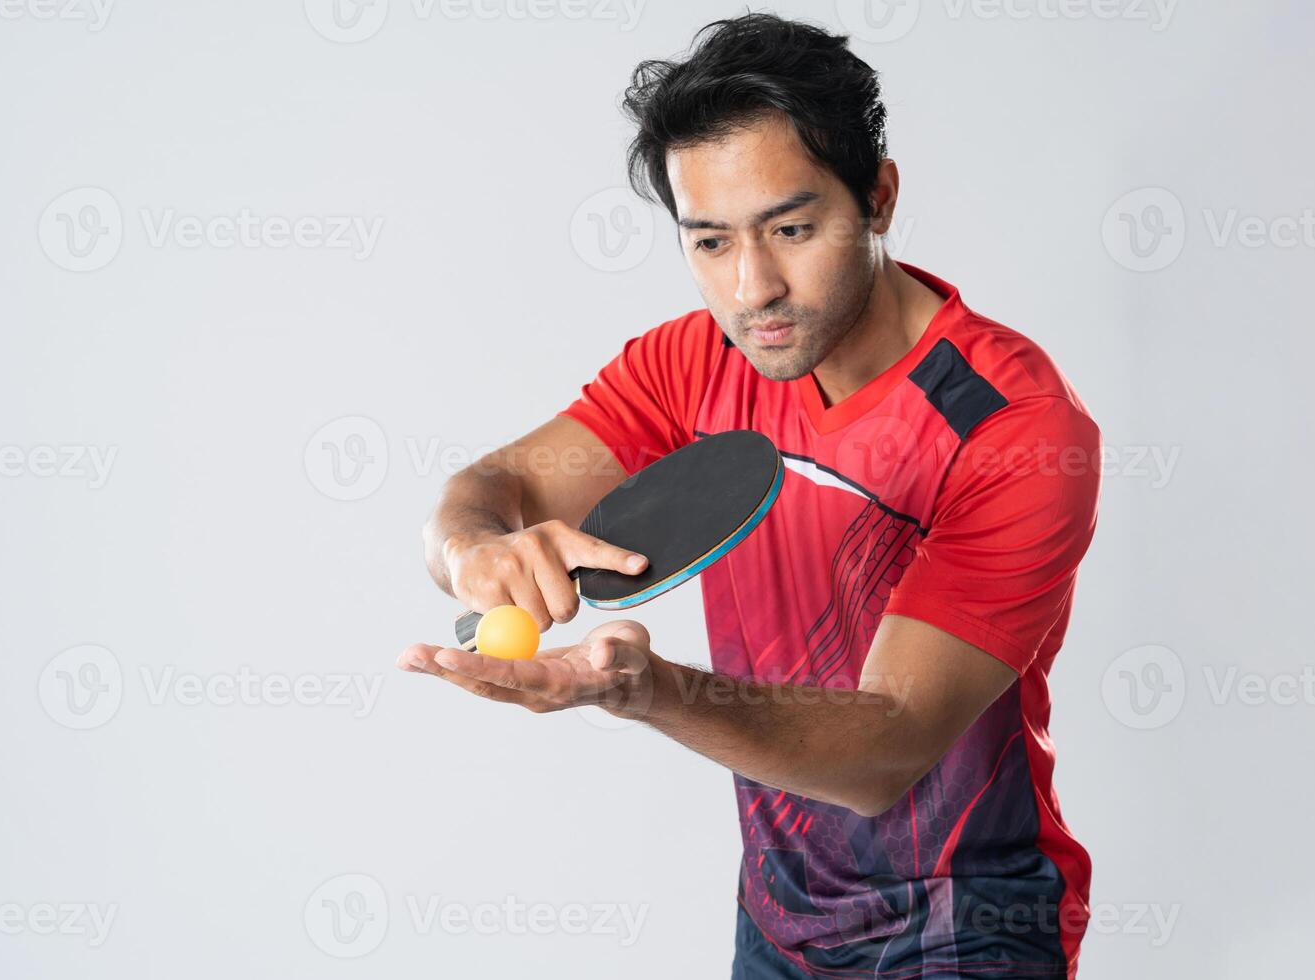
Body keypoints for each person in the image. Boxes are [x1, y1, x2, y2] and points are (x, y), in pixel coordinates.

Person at [400, 13, 1102, 979]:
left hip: (970, 927)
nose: (752, 287)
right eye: (710, 242)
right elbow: (491, 486)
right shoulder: (694, 362)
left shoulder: (1012, 428)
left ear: (880, 197)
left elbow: (889, 746)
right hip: (780, 919)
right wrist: (474, 547)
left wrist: (650, 691)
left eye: (792, 229)